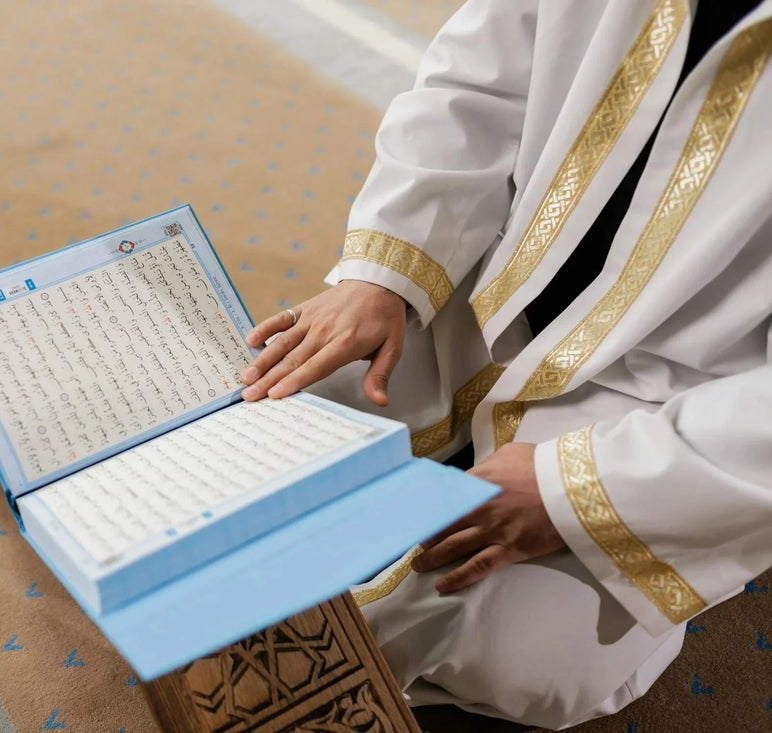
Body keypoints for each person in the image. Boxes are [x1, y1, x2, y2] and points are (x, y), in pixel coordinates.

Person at [239, 0, 772, 728]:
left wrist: (576, 489)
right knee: (259, 402)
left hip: (666, 414)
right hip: (482, 303)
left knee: (479, 627)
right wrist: (381, 272)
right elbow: (477, 84)